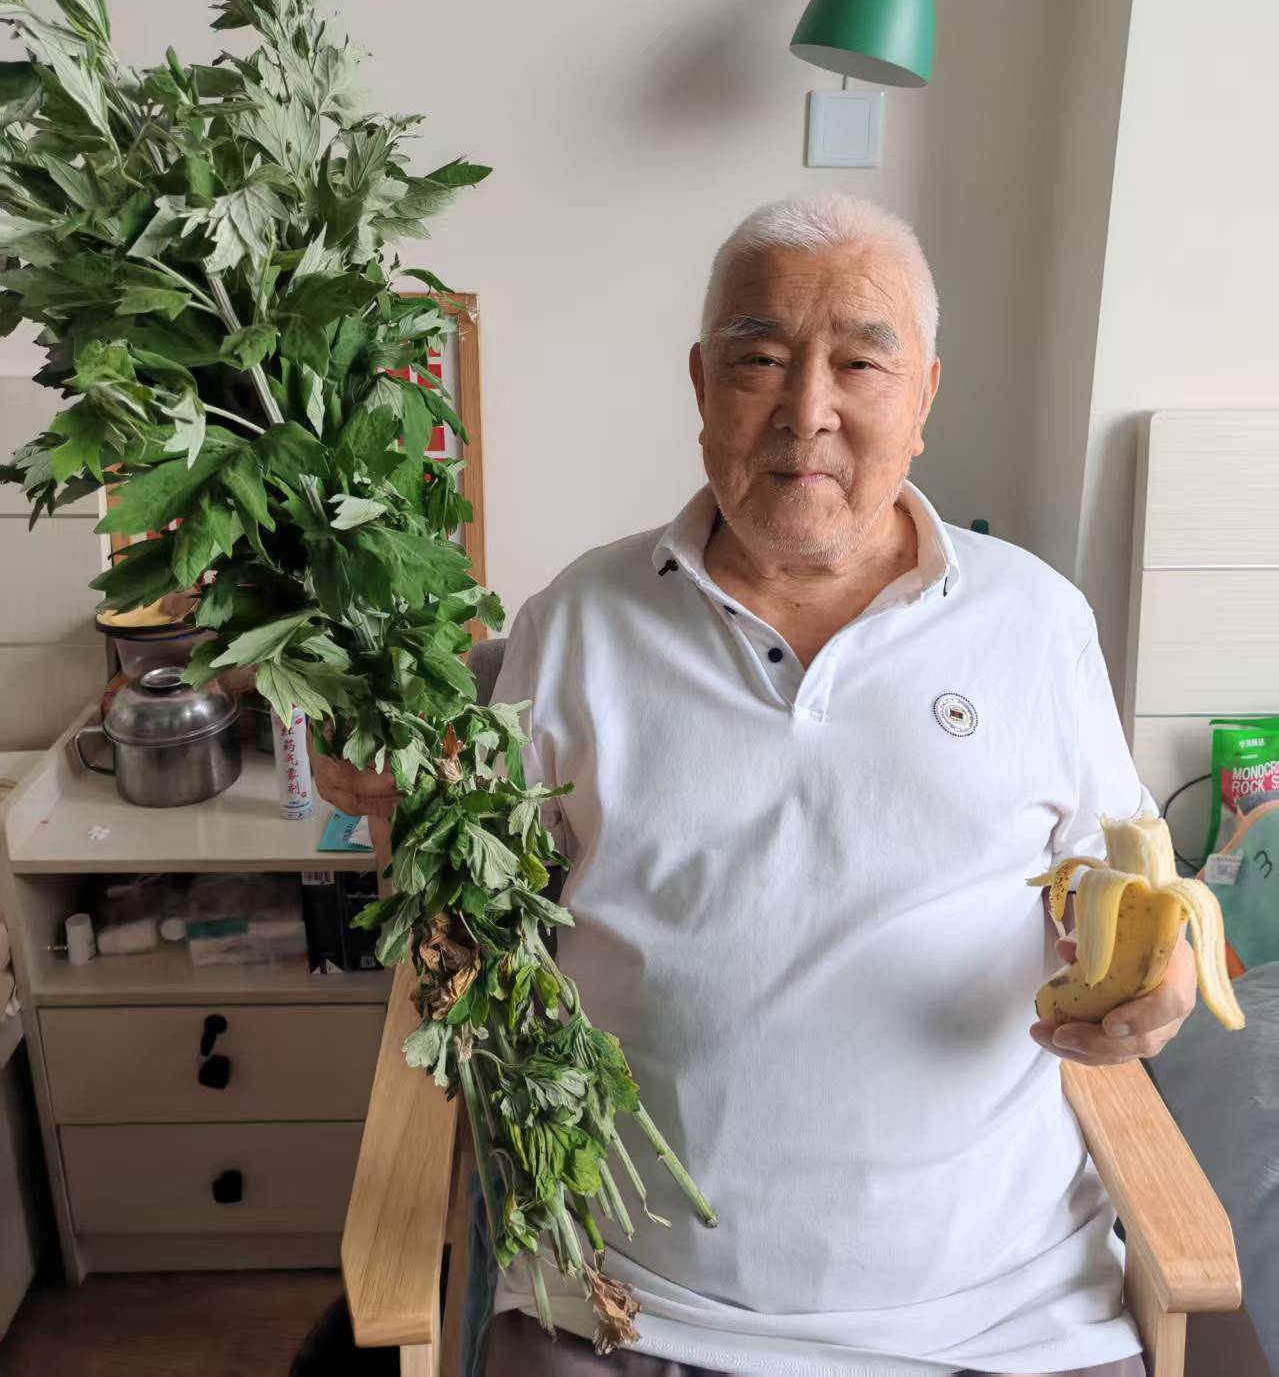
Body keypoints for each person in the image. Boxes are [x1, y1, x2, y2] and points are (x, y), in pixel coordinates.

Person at [315, 193, 1196, 1377]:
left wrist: (1158, 979)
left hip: (1005, 1322)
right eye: (761, 357)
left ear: (924, 395)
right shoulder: (575, 624)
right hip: (630, 1312)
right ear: (701, 384)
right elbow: (457, 935)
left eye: (859, 363)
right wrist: (392, 794)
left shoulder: (1036, 623)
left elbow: (1121, 884)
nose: (806, 409)